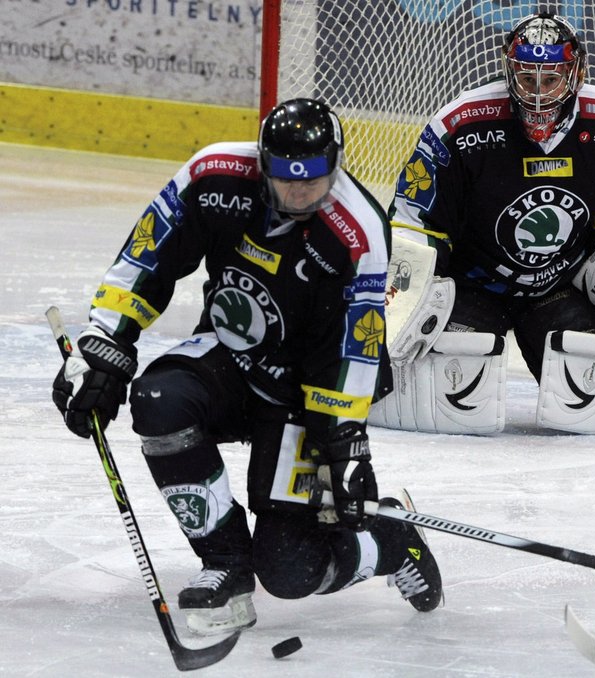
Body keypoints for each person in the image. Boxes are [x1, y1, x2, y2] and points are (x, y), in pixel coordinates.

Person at [51, 98, 442, 635]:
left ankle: (388, 542)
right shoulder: (212, 176)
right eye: (284, 180)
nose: (299, 194)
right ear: (262, 164)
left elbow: (354, 350)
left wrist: (346, 443)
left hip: (306, 394)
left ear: (337, 164)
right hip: (229, 358)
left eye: (313, 181)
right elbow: (147, 258)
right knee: (159, 400)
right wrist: (103, 345)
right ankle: (225, 563)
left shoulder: (359, 233)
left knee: (289, 570)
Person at [377, 11, 595, 434]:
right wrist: (410, 291)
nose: (538, 95)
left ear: (577, 73)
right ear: (510, 72)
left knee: (591, 405)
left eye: (551, 80)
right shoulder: (461, 125)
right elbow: (413, 220)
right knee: (449, 408)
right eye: (527, 79)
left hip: (558, 288)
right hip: (470, 286)